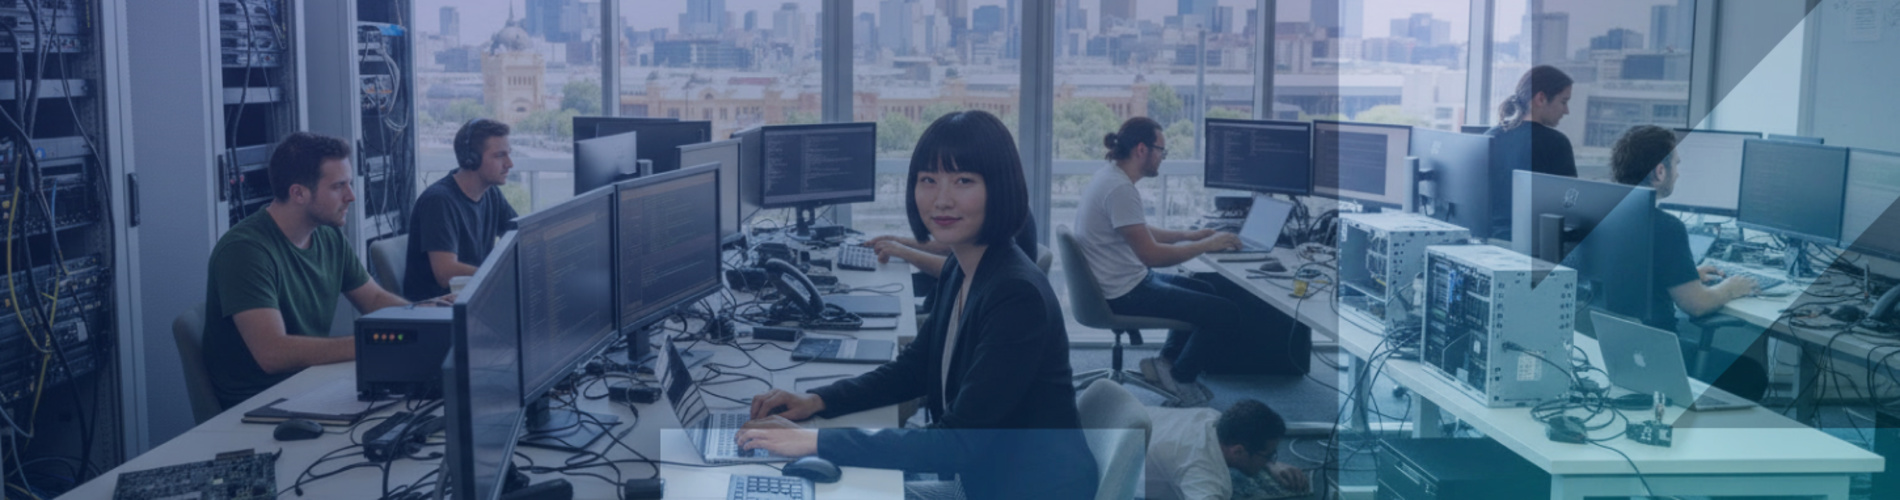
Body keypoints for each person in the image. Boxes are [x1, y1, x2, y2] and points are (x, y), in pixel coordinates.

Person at [736, 110, 1098, 500]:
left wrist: (814, 442)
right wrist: (818, 400)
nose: (942, 199)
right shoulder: (963, 269)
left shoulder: (1016, 296)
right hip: (984, 479)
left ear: (1000, 187)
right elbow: (914, 369)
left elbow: (957, 444)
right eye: (928, 180)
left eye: (964, 181)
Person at [203, 132, 412, 408]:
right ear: (298, 193)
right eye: (339, 186)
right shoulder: (245, 250)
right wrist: (373, 344)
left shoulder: (328, 236)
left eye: (349, 183)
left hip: (312, 386)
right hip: (259, 405)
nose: (351, 196)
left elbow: (373, 299)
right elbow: (272, 353)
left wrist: (423, 319)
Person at [1075, 116, 1246, 406]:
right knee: (1225, 312)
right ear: (1142, 149)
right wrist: (1207, 245)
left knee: (1206, 290)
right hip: (1123, 293)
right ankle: (1181, 377)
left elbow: (1136, 229)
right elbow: (1151, 256)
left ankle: (1164, 364)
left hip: (1121, 282)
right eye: (1161, 151)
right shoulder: (1120, 189)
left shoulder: (1111, 176)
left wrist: (1188, 236)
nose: (1163, 159)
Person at [1608, 124, 1767, 399]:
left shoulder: (1606, 214)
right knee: (1750, 373)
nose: (1678, 173)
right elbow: (1697, 305)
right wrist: (1731, 286)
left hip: (1614, 349)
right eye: (1676, 165)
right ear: (1660, 172)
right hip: (1657, 356)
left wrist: (1685, 274)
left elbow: (1633, 272)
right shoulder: (1667, 227)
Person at [402, 118, 519, 301]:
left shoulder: (491, 194)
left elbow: (521, 236)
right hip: (438, 311)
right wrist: (501, 275)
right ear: (471, 159)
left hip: (474, 299)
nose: (509, 163)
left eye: (508, 154)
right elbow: (446, 274)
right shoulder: (439, 201)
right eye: (499, 156)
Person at [1145, 399, 1309, 500]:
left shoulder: (1212, 417)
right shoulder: (1201, 475)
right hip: (1122, 467)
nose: (1271, 459)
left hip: (1131, 419)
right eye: (1268, 455)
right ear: (1238, 451)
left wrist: (1272, 465)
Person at [1488, 65, 1578, 178]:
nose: (1566, 111)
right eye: (1563, 102)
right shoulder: (1556, 143)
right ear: (1541, 99)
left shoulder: (1491, 136)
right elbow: (1568, 193)